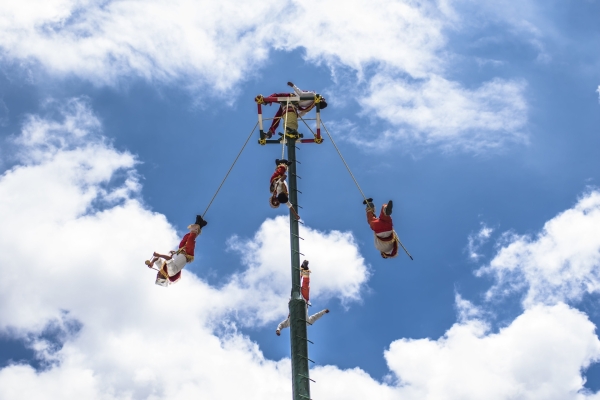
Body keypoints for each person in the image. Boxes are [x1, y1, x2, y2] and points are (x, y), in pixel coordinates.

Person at [145, 215, 208, 286]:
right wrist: (159, 255)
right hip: (187, 254)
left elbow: (157, 259)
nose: (157, 275)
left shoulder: (162, 268)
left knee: (186, 238)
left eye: (157, 277)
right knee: (190, 239)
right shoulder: (171, 272)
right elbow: (168, 259)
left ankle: (200, 224)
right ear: (163, 277)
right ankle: (197, 225)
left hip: (179, 252)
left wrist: (152, 262)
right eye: (158, 277)